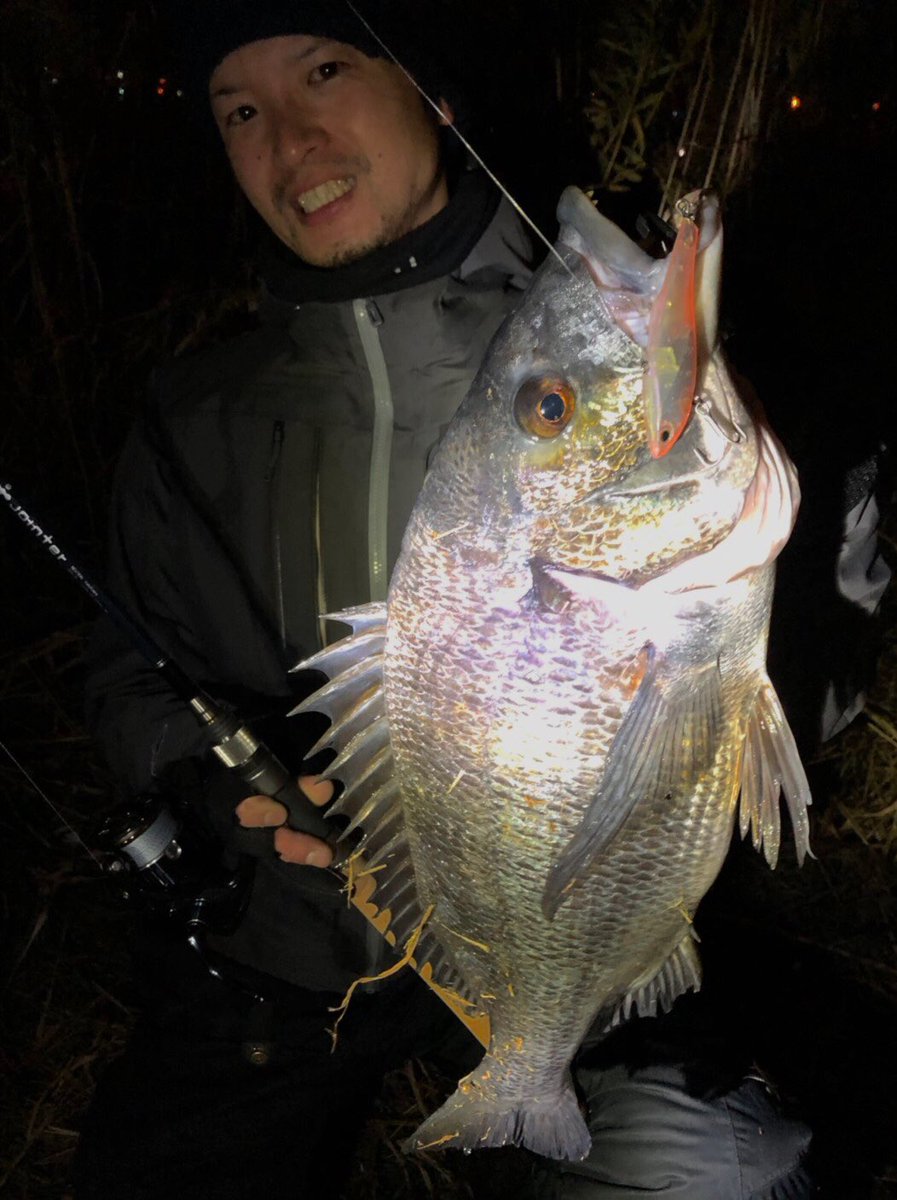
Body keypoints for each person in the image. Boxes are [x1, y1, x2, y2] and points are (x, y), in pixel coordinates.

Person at [74, 2, 814, 1197]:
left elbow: (787, 708)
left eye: (325, 68)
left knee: (719, 1175)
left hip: (586, 958)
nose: (293, 140)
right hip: (290, 961)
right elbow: (118, 671)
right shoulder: (184, 420)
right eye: (244, 112)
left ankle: (542, 1068)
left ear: (437, 91)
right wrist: (207, 759)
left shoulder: (599, 339)